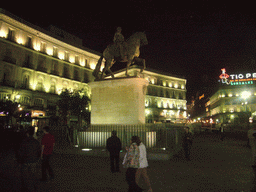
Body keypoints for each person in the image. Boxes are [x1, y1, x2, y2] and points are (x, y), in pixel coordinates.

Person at [18, 126, 41, 191]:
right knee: (33, 175)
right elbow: (39, 151)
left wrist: (20, 161)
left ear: (27, 133)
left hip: (25, 161)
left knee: (25, 176)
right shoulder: (36, 142)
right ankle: (35, 187)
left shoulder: (24, 142)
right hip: (34, 160)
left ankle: (25, 188)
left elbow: (21, 152)